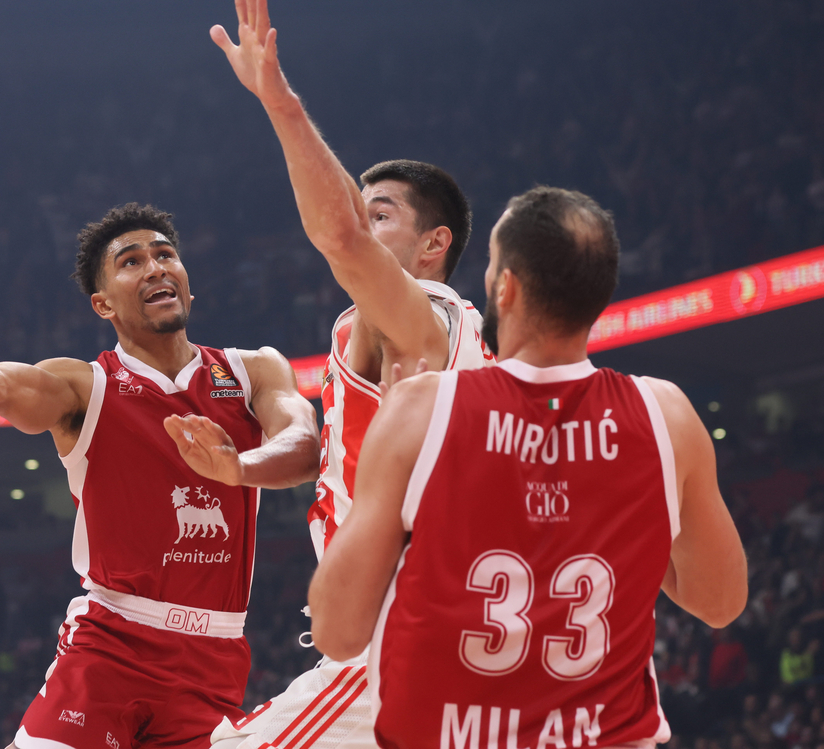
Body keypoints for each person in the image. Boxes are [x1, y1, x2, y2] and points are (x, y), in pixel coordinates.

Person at [0, 202, 321, 749]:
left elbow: (304, 447)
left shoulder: (252, 370)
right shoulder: (84, 387)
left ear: (187, 283)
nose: (157, 267)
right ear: (103, 303)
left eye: (165, 255)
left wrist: (237, 467)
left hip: (215, 658)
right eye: (132, 261)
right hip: (114, 645)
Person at [310, 186, 748, 749]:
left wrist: (390, 473)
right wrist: (629, 510)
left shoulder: (422, 408)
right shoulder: (667, 415)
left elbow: (338, 631)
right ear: (601, 294)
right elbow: (720, 603)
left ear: (506, 288)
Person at [209, 0, 494, 749]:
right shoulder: (444, 339)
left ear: (435, 244)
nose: (360, 223)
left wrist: (279, 103)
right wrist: (243, 468)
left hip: (391, 639)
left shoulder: (423, 315)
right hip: (435, 630)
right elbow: (329, 461)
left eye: (382, 213)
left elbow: (340, 238)